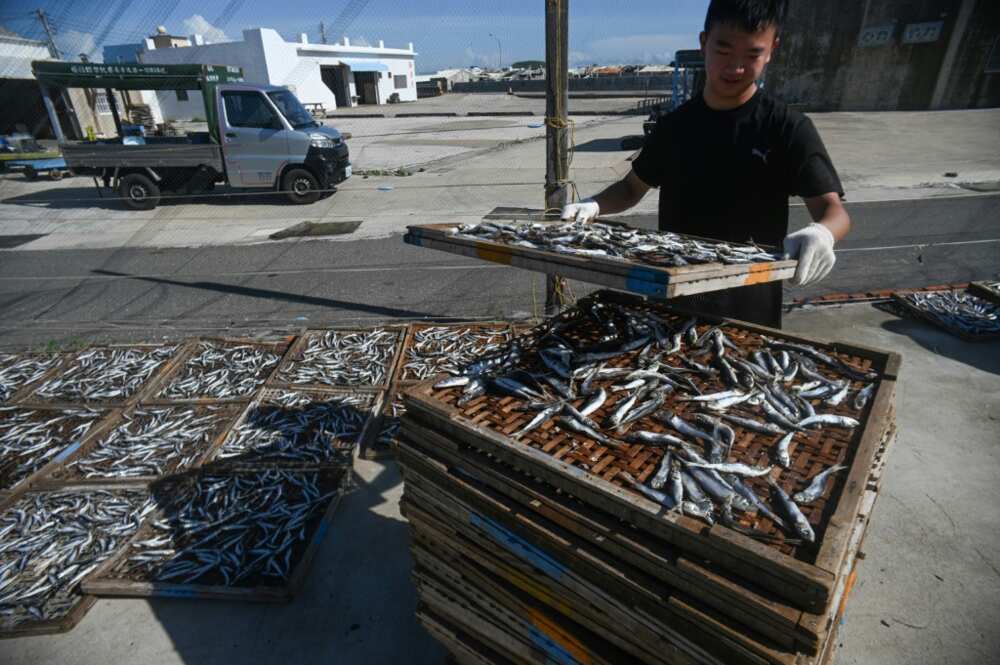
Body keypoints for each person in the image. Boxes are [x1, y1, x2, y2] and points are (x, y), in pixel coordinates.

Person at [561, 0, 849, 327]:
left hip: (748, 309)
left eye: (752, 54)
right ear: (703, 43)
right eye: (723, 50)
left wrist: (822, 233)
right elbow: (631, 187)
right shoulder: (674, 127)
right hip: (672, 303)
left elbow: (833, 210)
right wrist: (594, 205)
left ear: (772, 50)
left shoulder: (787, 128)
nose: (735, 67)